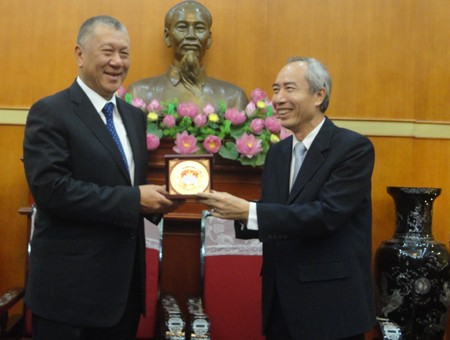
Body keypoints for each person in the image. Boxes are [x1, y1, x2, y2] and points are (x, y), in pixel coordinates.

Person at [23, 16, 182, 340]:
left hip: (123, 295)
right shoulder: (50, 112)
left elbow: (128, 187)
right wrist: (135, 199)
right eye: (107, 51)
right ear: (80, 54)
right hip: (69, 299)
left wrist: (158, 203)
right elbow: (52, 190)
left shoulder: (133, 116)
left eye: (124, 53)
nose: (117, 62)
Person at [197, 57, 377, 339]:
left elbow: (326, 215)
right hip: (279, 302)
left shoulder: (352, 148)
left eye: (289, 89)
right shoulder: (278, 153)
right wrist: (232, 212)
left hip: (331, 307)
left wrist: (248, 212)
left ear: (319, 95)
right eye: (275, 89)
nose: (278, 99)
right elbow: (277, 216)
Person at [127, 0, 248, 111]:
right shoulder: (139, 93)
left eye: (199, 28)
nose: (191, 35)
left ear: (209, 39)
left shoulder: (234, 97)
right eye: (182, 27)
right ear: (167, 37)